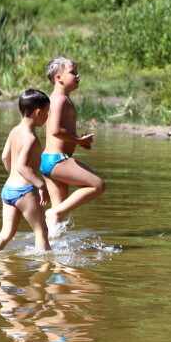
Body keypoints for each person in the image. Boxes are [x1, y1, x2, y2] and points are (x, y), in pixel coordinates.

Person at [41, 58, 106, 232]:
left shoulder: (61, 99)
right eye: (73, 72)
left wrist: (78, 140)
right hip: (58, 160)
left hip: (50, 160)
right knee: (98, 185)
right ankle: (53, 214)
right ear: (59, 78)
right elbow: (55, 130)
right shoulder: (59, 100)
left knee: (58, 219)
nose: (78, 76)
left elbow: (60, 131)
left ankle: (50, 252)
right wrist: (78, 141)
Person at [0, 89, 51, 253]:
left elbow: (4, 157)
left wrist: (13, 177)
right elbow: (22, 167)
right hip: (25, 191)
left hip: (8, 189)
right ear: (38, 112)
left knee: (6, 233)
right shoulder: (30, 138)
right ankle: (44, 270)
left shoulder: (14, 130)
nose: (48, 116)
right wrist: (41, 185)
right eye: (47, 112)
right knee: (41, 231)